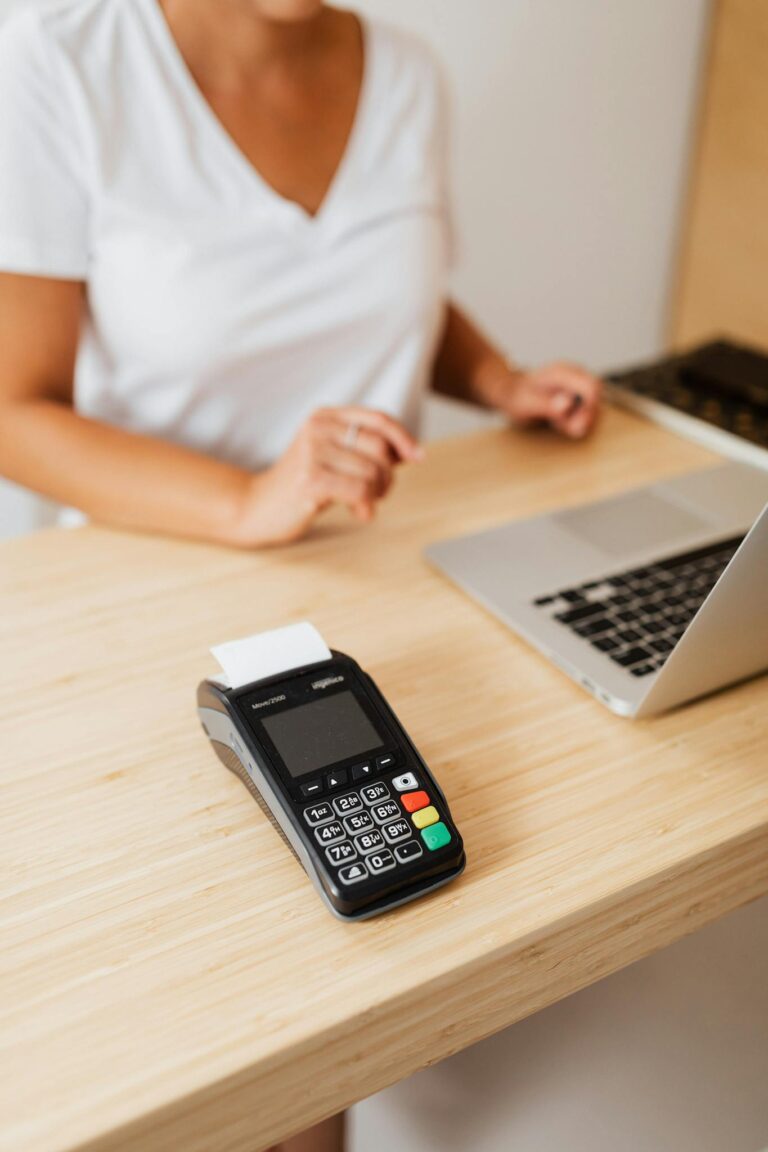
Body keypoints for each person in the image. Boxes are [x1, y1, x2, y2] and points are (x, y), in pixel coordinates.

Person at [0, 2, 601, 1149]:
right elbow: (11, 410)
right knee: (270, 1052)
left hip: (379, 575)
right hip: (147, 597)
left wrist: (499, 376)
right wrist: (247, 500)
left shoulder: (411, 73)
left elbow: (396, 288)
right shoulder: (61, 60)